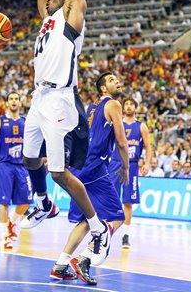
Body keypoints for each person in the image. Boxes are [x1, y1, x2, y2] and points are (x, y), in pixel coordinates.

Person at [20, 0, 112, 266]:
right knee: (30, 160)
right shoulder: (47, 19)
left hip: (61, 99)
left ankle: (98, 227)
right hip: (38, 97)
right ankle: (44, 203)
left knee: (59, 173)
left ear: (67, 0)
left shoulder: (73, 17)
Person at [50, 72, 129, 285]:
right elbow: (122, 142)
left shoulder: (91, 108)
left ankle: (60, 265)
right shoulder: (113, 104)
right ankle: (85, 258)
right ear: (103, 89)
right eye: (112, 80)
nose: (117, 81)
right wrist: (126, 167)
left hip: (79, 168)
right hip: (95, 169)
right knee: (117, 217)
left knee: (86, 219)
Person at [0, 91, 34, 249]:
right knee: (4, 202)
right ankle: (4, 236)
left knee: (25, 202)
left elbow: (32, 144)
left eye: (16, 99)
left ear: (20, 102)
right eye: (11, 99)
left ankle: (12, 223)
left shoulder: (26, 122)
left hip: (22, 166)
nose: (14, 101)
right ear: (7, 103)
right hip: (4, 164)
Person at [109, 98, 152, 249]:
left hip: (132, 166)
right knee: (110, 197)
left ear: (135, 107)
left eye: (131, 104)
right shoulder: (116, 123)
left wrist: (146, 163)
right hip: (115, 163)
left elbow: (148, 147)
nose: (128, 106)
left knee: (128, 201)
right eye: (126, 104)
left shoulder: (141, 126)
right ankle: (105, 230)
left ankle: (125, 235)